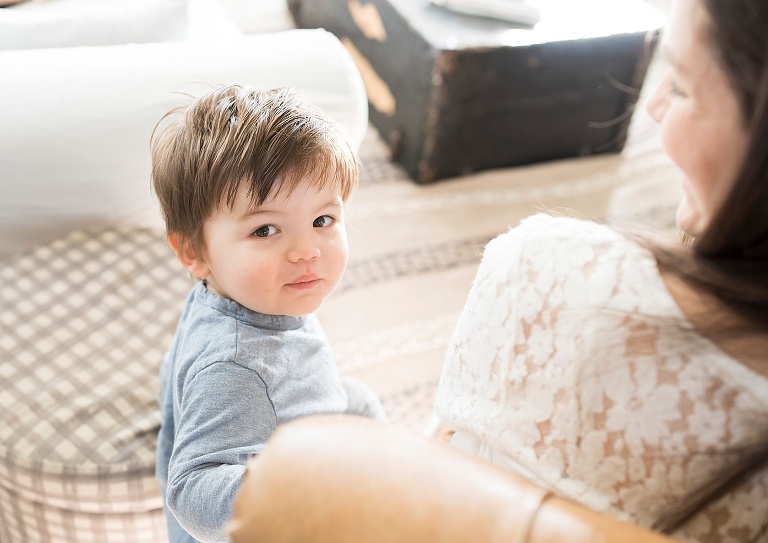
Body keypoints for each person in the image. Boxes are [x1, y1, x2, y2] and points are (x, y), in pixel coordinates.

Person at [224, 0, 768, 541]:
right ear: (192, 253)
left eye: (683, 85)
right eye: (266, 229)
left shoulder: (546, 273)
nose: (652, 110)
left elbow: (433, 477)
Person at [150, 85, 386, 543]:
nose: (306, 251)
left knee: (360, 405)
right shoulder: (233, 366)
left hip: (286, 431)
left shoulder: (236, 294)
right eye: (265, 229)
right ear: (193, 251)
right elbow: (190, 488)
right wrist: (304, 495)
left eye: (323, 221)